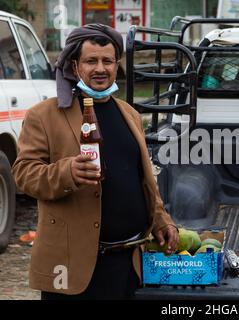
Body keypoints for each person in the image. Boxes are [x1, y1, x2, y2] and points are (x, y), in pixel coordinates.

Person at [11, 24, 179, 300]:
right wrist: (68, 172)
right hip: (72, 267)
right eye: (91, 61)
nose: (100, 68)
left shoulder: (129, 113)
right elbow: (24, 174)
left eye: (107, 61)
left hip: (128, 265)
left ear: (117, 65)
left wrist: (161, 220)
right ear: (75, 66)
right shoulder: (45, 115)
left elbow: (143, 178)